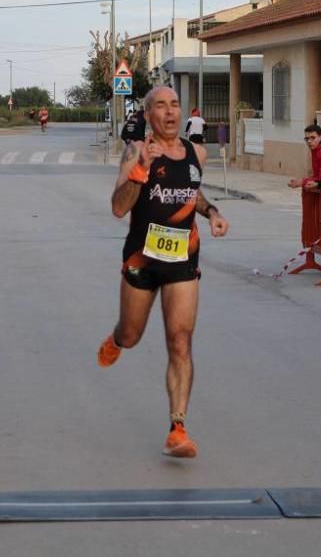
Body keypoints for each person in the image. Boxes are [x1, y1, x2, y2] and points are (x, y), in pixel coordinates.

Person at [97, 85, 229, 459]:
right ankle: (117, 338)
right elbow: (119, 208)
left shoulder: (195, 152)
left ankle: (178, 427)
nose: (170, 112)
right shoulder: (137, 151)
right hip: (142, 260)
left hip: (183, 260)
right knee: (133, 334)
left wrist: (213, 212)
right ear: (148, 114)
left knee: (180, 341)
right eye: (161, 106)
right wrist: (141, 170)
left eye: (175, 105)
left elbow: (192, 193)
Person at [288, 124, 321, 191]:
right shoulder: (315, 150)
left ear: (320, 137)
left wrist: (303, 181)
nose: (309, 141)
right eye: (307, 138)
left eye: (312, 138)